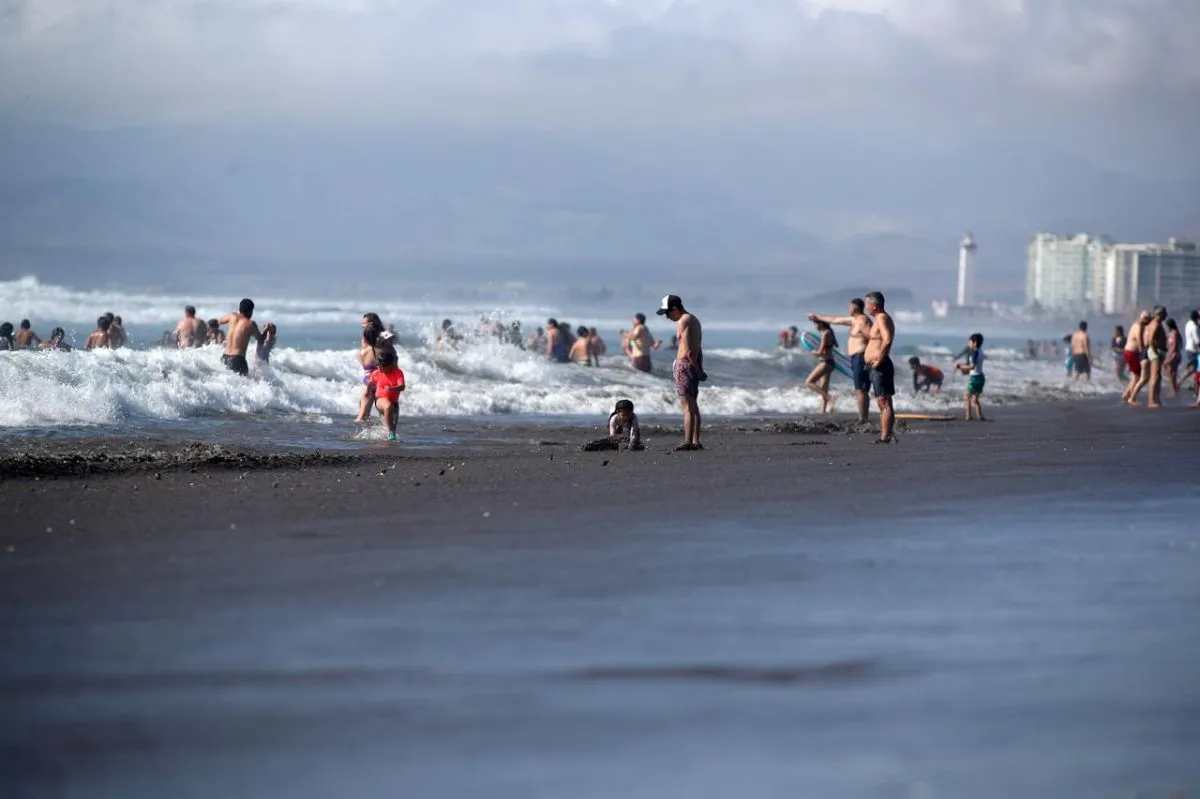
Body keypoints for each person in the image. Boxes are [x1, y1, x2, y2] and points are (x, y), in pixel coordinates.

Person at [808, 298, 873, 423]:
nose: (848, 309)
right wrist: (817, 317)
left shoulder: (863, 321)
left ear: (855, 308)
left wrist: (872, 356)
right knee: (859, 389)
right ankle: (863, 418)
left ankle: (863, 419)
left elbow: (872, 338)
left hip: (862, 357)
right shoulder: (854, 320)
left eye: (850, 306)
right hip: (855, 357)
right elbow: (834, 320)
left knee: (862, 390)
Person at [657, 294, 705, 450]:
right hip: (692, 364)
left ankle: (687, 442)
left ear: (675, 309)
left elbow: (689, 349)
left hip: (685, 364)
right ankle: (695, 441)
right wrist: (699, 368)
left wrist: (695, 367)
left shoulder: (683, 321)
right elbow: (698, 349)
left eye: (667, 313)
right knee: (693, 406)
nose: (667, 317)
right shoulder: (694, 320)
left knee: (686, 407)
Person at [863, 291, 896, 443]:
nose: (866, 308)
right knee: (882, 401)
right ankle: (886, 434)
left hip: (880, 365)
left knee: (884, 402)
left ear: (874, 306)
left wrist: (879, 360)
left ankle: (885, 436)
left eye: (867, 305)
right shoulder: (878, 319)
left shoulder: (882, 318)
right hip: (874, 365)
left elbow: (887, 340)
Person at [363, 326, 406, 441]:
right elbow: (371, 382)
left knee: (392, 424)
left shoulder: (397, 372)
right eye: (379, 367)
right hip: (381, 399)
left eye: (383, 367)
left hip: (394, 402)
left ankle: (387, 437)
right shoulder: (377, 372)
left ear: (391, 365)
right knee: (387, 406)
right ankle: (390, 433)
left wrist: (392, 388)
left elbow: (402, 386)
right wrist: (367, 391)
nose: (380, 369)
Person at [216, 298, 263, 376]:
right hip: (237, 360)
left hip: (224, 358)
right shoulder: (251, 323)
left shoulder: (231, 316)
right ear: (250, 311)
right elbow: (260, 340)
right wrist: (266, 330)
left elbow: (217, 322)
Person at [356, 313, 385, 422]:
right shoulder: (383, 339)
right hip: (381, 379)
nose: (362, 326)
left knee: (362, 415)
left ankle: (357, 435)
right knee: (383, 415)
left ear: (371, 323)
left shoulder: (365, 339)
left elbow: (361, 356)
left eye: (364, 323)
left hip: (368, 378)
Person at [804, 319, 837, 414]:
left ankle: (829, 397)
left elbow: (820, 352)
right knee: (823, 387)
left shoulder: (825, 333)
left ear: (821, 324)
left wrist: (813, 352)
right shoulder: (830, 332)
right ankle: (823, 411)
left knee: (809, 382)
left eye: (815, 324)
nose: (815, 327)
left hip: (825, 362)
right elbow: (836, 345)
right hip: (830, 362)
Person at [955, 333, 987, 421]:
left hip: (975, 378)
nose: (968, 344)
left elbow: (972, 366)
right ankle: (980, 416)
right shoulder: (981, 351)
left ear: (974, 343)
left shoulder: (974, 352)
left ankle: (968, 416)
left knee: (966, 396)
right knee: (975, 399)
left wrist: (960, 367)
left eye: (969, 342)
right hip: (981, 377)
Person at [1122, 311, 1151, 404]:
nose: (1149, 323)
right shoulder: (1139, 326)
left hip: (1129, 352)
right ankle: (1131, 397)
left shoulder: (1135, 324)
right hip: (1132, 352)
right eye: (1148, 320)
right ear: (1144, 318)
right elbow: (1139, 341)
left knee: (1134, 375)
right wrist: (1143, 354)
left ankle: (1127, 394)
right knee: (1137, 376)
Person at [1143, 306, 1168, 408]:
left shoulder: (1154, 323)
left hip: (1157, 351)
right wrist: (1154, 351)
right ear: (1159, 314)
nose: (1166, 315)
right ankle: (1151, 401)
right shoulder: (1156, 324)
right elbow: (1150, 339)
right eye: (1164, 314)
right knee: (1155, 376)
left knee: (1158, 376)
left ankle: (1156, 399)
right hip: (1155, 351)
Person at [1164, 318, 1182, 396]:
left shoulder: (1174, 333)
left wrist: (1169, 357)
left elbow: (1174, 346)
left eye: (1166, 326)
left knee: (1171, 372)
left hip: (1174, 355)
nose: (1166, 327)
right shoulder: (1171, 333)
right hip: (1172, 354)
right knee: (1171, 373)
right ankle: (1174, 389)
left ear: (1169, 326)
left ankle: (1173, 390)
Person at [1184, 310, 1200, 383]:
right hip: (1194, 350)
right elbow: (1198, 341)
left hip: (1189, 348)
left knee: (1195, 369)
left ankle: (1194, 383)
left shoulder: (1189, 323)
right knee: (1195, 368)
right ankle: (1181, 381)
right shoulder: (1194, 327)